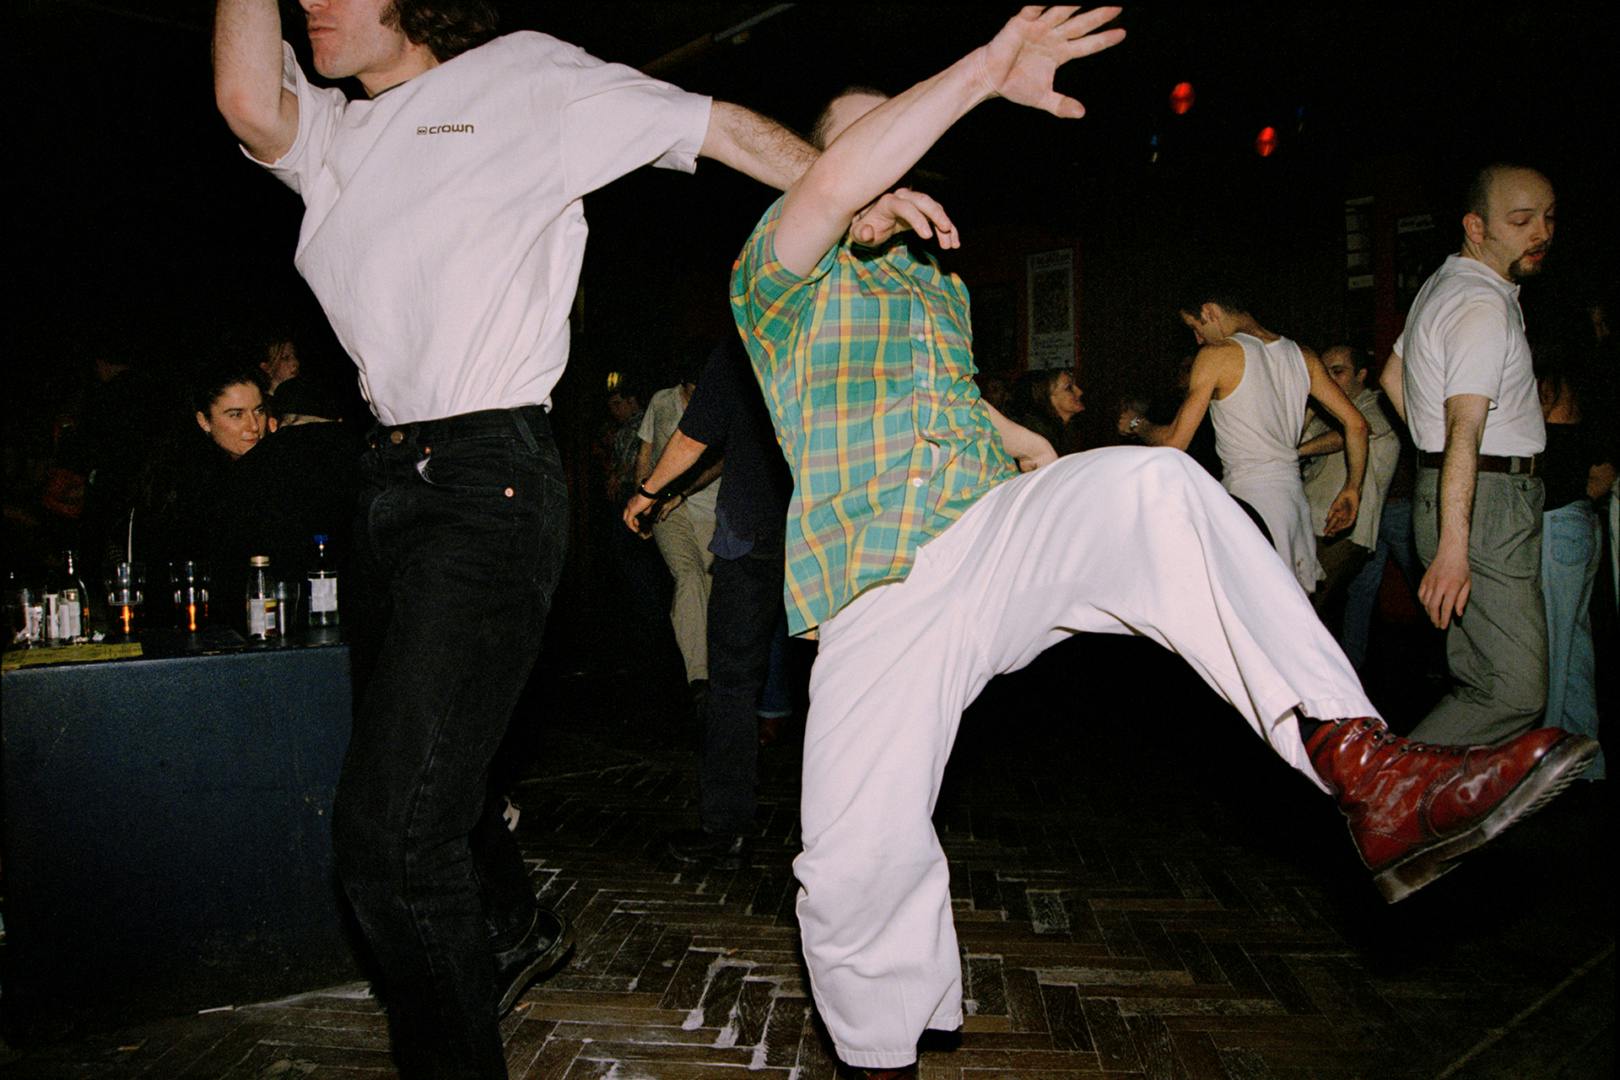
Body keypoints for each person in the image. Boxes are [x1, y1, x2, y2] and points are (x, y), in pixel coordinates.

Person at [729, 10, 1596, 1075]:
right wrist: (982, 72)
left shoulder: (935, 285)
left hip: (987, 539)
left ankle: (1365, 766)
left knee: (1153, 482)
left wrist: (1026, 446)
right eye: (873, 143)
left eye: (902, 144)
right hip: (872, 587)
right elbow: (826, 192)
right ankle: (884, 1061)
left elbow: (945, 398)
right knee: (853, 865)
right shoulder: (773, 274)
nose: (889, 164)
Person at [213, 1, 849, 1074]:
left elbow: (718, 125)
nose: (312, 3)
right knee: (423, 779)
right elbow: (242, 94)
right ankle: (509, 923)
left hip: (488, 483)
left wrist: (852, 191)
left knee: (386, 837)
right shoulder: (331, 134)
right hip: (387, 487)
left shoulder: (519, 79)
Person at [1380, 164, 1554, 746]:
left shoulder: (1443, 285)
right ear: (1476, 226)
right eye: (1522, 220)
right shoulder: (1482, 306)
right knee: (1514, 691)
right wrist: (1454, 548)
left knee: (1481, 679)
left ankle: (1430, 816)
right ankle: (1390, 798)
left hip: (1458, 491)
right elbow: (1464, 429)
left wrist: (1432, 457)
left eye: (1549, 218)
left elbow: (1392, 374)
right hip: (1485, 506)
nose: (1541, 233)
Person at [623, 337, 794, 866]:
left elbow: (699, 432)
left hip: (753, 529)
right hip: (830, 526)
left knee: (732, 683)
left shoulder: (748, 335)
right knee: (850, 678)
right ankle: (855, 830)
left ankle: (726, 828)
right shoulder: (843, 321)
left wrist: (649, 491)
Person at [1118, 290, 1369, 593]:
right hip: (1292, 503)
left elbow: (1174, 441)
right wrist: (1353, 488)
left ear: (1209, 311)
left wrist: (1138, 425)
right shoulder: (1302, 356)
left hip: (1250, 503)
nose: (1198, 339)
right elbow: (1356, 424)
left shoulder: (1216, 355)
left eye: (1195, 328)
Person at [1298, 345, 1400, 630]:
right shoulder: (1327, 411)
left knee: (1308, 611)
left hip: (1343, 528)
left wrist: (1295, 451)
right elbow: (1293, 433)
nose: (1330, 378)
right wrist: (1312, 404)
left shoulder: (1377, 404)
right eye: (1324, 372)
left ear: (1362, 374)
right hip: (1311, 520)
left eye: (1338, 372)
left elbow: (1351, 433)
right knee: (1306, 609)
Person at [635, 368, 719, 702]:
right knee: (688, 576)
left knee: (709, 589)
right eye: (691, 389)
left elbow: (723, 459)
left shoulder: (718, 398)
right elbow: (645, 452)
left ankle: (713, 674)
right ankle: (697, 679)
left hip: (708, 508)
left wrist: (682, 491)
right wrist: (643, 499)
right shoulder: (662, 401)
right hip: (667, 510)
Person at [1010, 367, 1084, 454]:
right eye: (1069, 388)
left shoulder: (1070, 430)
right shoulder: (1036, 439)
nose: (1079, 392)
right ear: (1045, 397)